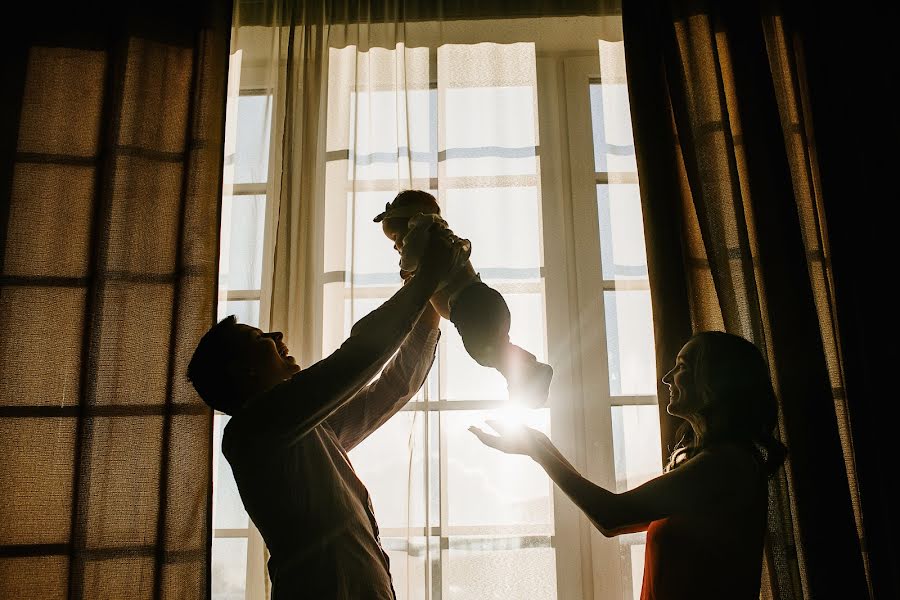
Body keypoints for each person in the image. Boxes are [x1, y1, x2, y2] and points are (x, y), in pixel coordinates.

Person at [187, 228, 466, 599]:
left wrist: (429, 305)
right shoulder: (252, 431)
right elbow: (358, 358)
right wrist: (427, 278)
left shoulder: (311, 430)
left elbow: (394, 386)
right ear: (244, 370)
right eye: (260, 338)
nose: (277, 335)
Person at [471, 331, 787, 600]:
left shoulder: (724, 466)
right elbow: (615, 513)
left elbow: (612, 516)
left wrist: (539, 451)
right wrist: (539, 445)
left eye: (681, 367)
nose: (666, 378)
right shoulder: (715, 463)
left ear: (713, 382)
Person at [375, 189, 553, 407]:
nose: (396, 246)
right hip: (485, 302)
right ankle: (527, 372)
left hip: (470, 306)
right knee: (496, 349)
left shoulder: (425, 233)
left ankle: (525, 373)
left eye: (395, 237)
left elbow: (409, 259)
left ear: (412, 222)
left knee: (484, 351)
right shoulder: (441, 239)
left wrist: (406, 270)